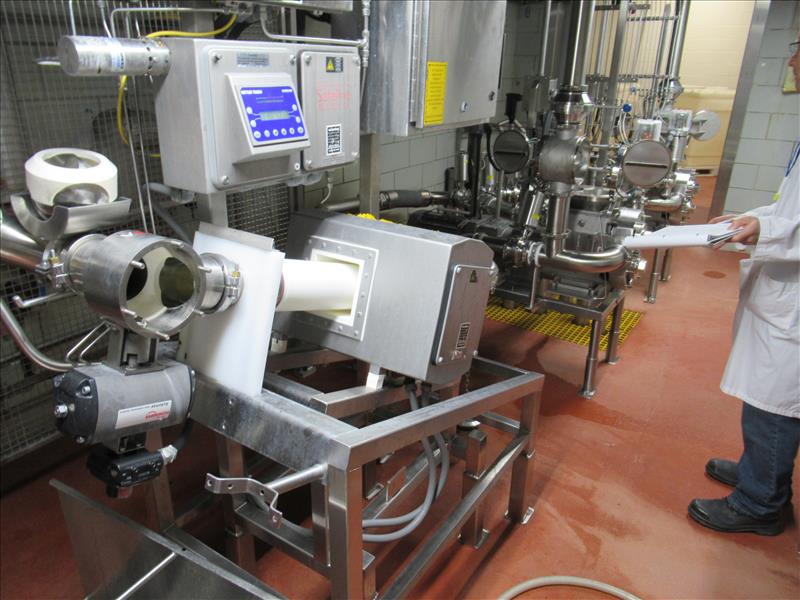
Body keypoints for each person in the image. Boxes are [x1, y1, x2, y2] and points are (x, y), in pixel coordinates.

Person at [687, 36, 800, 536]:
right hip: (783, 293)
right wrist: (750, 219)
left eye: (798, 47)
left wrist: (765, 232)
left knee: (775, 404)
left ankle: (761, 504)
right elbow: (790, 207)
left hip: (793, 308)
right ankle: (761, 474)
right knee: (766, 398)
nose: (791, 58)